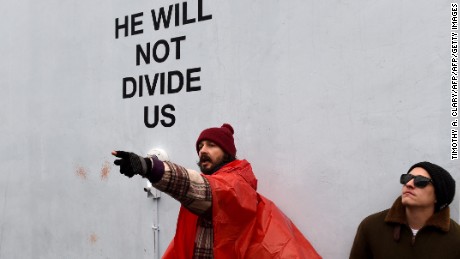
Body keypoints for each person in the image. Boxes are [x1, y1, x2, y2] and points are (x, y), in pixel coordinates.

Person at [112, 123, 321, 259]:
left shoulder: (237, 185)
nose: (203, 150)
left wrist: (151, 167)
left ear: (228, 153)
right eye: (200, 146)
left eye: (211, 145)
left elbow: (205, 190)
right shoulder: (203, 191)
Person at [349, 161, 460, 259]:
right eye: (406, 178)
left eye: (420, 181)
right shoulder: (371, 227)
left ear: (438, 195)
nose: (409, 184)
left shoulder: (456, 238)